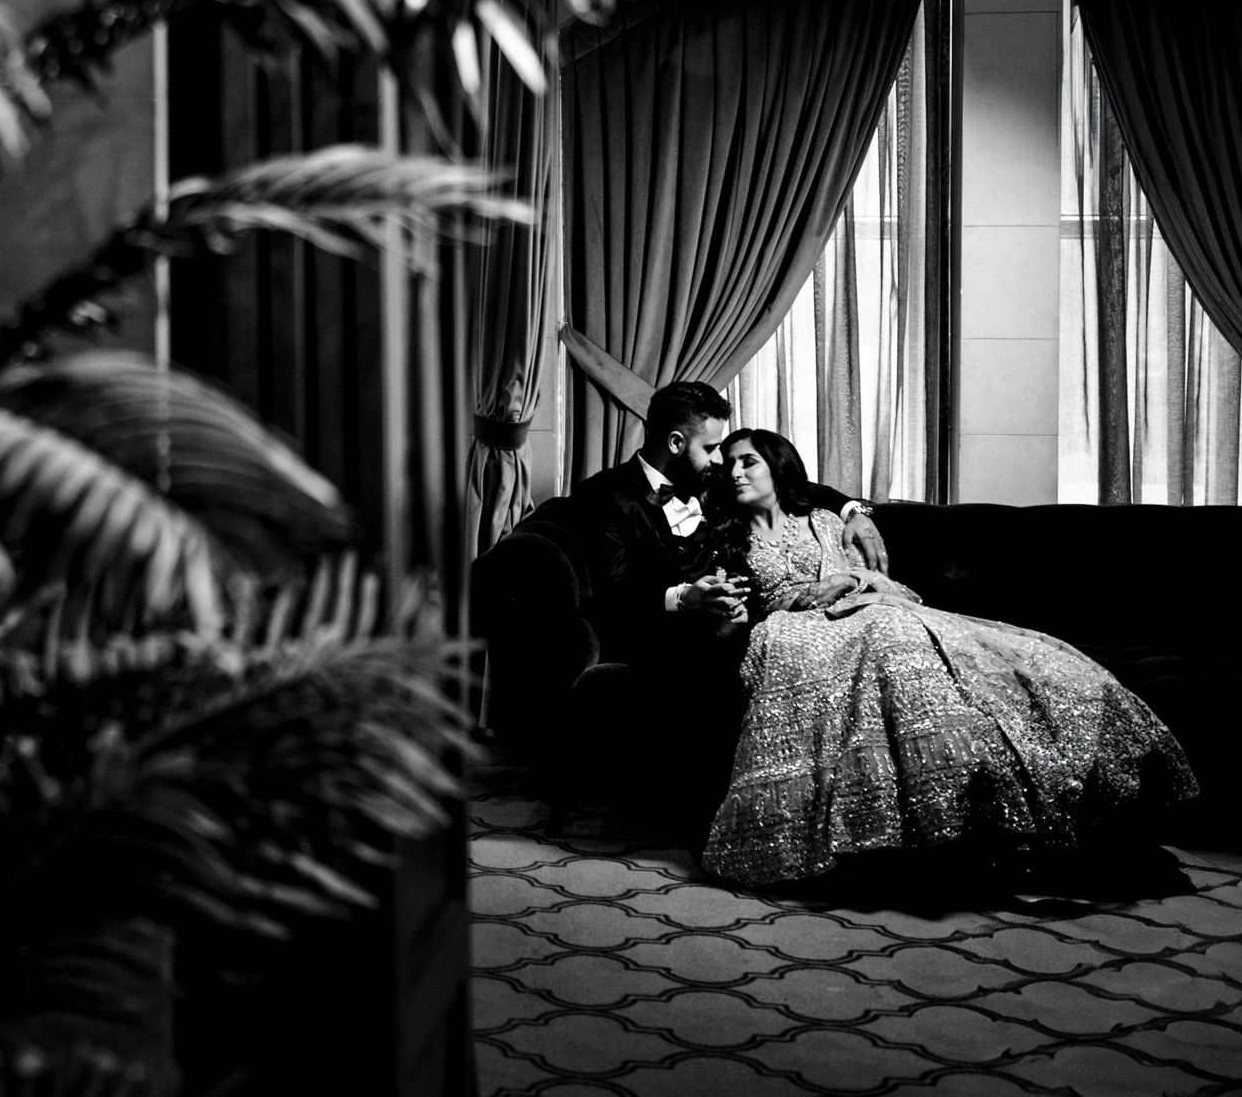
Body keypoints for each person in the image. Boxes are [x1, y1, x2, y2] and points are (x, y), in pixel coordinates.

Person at [699, 426, 1199, 888]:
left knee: (925, 639)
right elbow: (732, 612)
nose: (737, 472)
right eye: (731, 465)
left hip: (867, 610)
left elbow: (881, 580)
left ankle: (978, 809)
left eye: (749, 462)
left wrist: (846, 579)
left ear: (779, 469)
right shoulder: (726, 535)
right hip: (795, 632)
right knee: (873, 640)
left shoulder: (827, 521)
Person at [471, 380, 885, 810]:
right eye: (711, 448)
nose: (721, 460)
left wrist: (854, 511)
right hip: (661, 630)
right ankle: (735, 804)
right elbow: (618, 591)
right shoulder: (606, 496)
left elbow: (790, 483)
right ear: (675, 441)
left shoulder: (709, 480)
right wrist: (687, 598)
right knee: (742, 645)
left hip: (750, 621)